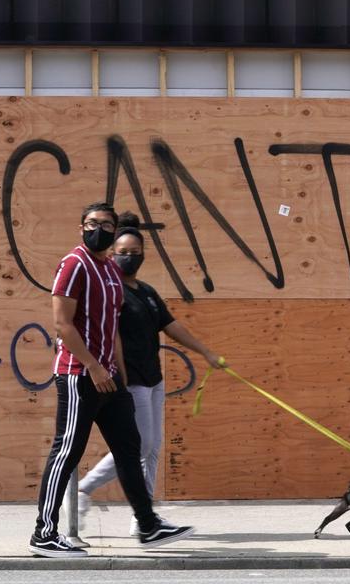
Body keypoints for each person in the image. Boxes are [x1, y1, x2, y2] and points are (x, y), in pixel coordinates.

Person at [28, 202, 195, 558]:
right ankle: (44, 533)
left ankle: (148, 525)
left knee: (130, 449)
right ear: (81, 227)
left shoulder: (109, 271)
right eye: (92, 223)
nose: (98, 229)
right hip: (79, 374)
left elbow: (113, 331)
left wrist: (116, 374)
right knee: (67, 451)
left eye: (105, 224)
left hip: (109, 378)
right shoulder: (75, 264)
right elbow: (62, 324)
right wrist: (93, 366)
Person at [77, 212, 224, 535]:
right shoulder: (111, 290)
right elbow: (103, 333)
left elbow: (171, 326)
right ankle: (84, 489)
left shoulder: (145, 291)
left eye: (135, 253)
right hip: (131, 382)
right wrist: (119, 377)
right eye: (122, 252)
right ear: (111, 252)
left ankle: (143, 517)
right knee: (139, 447)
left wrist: (206, 352)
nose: (129, 258)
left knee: (152, 448)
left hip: (153, 379)